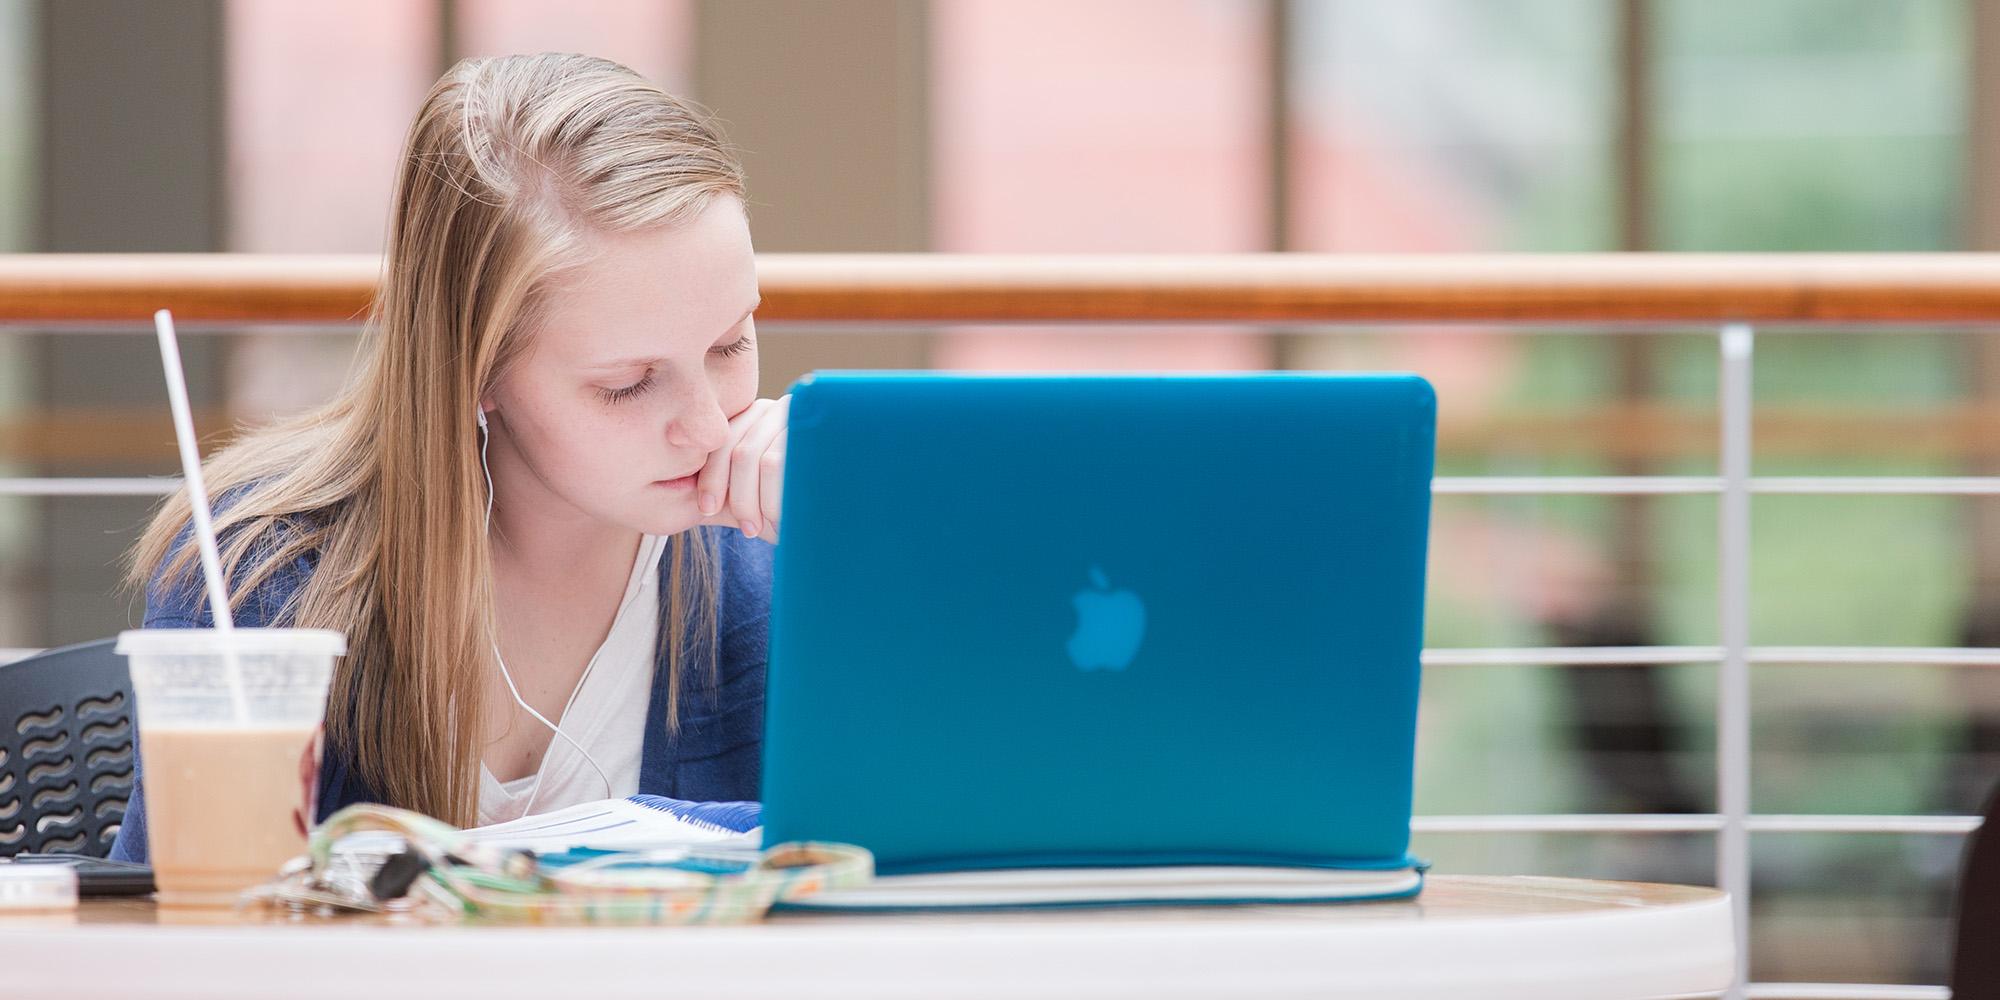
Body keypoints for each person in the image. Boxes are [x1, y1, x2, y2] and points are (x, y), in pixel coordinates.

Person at [109, 53, 785, 863]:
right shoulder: (258, 573)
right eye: (628, 384)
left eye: (730, 343)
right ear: (478, 367)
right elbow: (184, 925)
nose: (710, 429)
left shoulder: (784, 556)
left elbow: (915, 857)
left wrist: (868, 563)